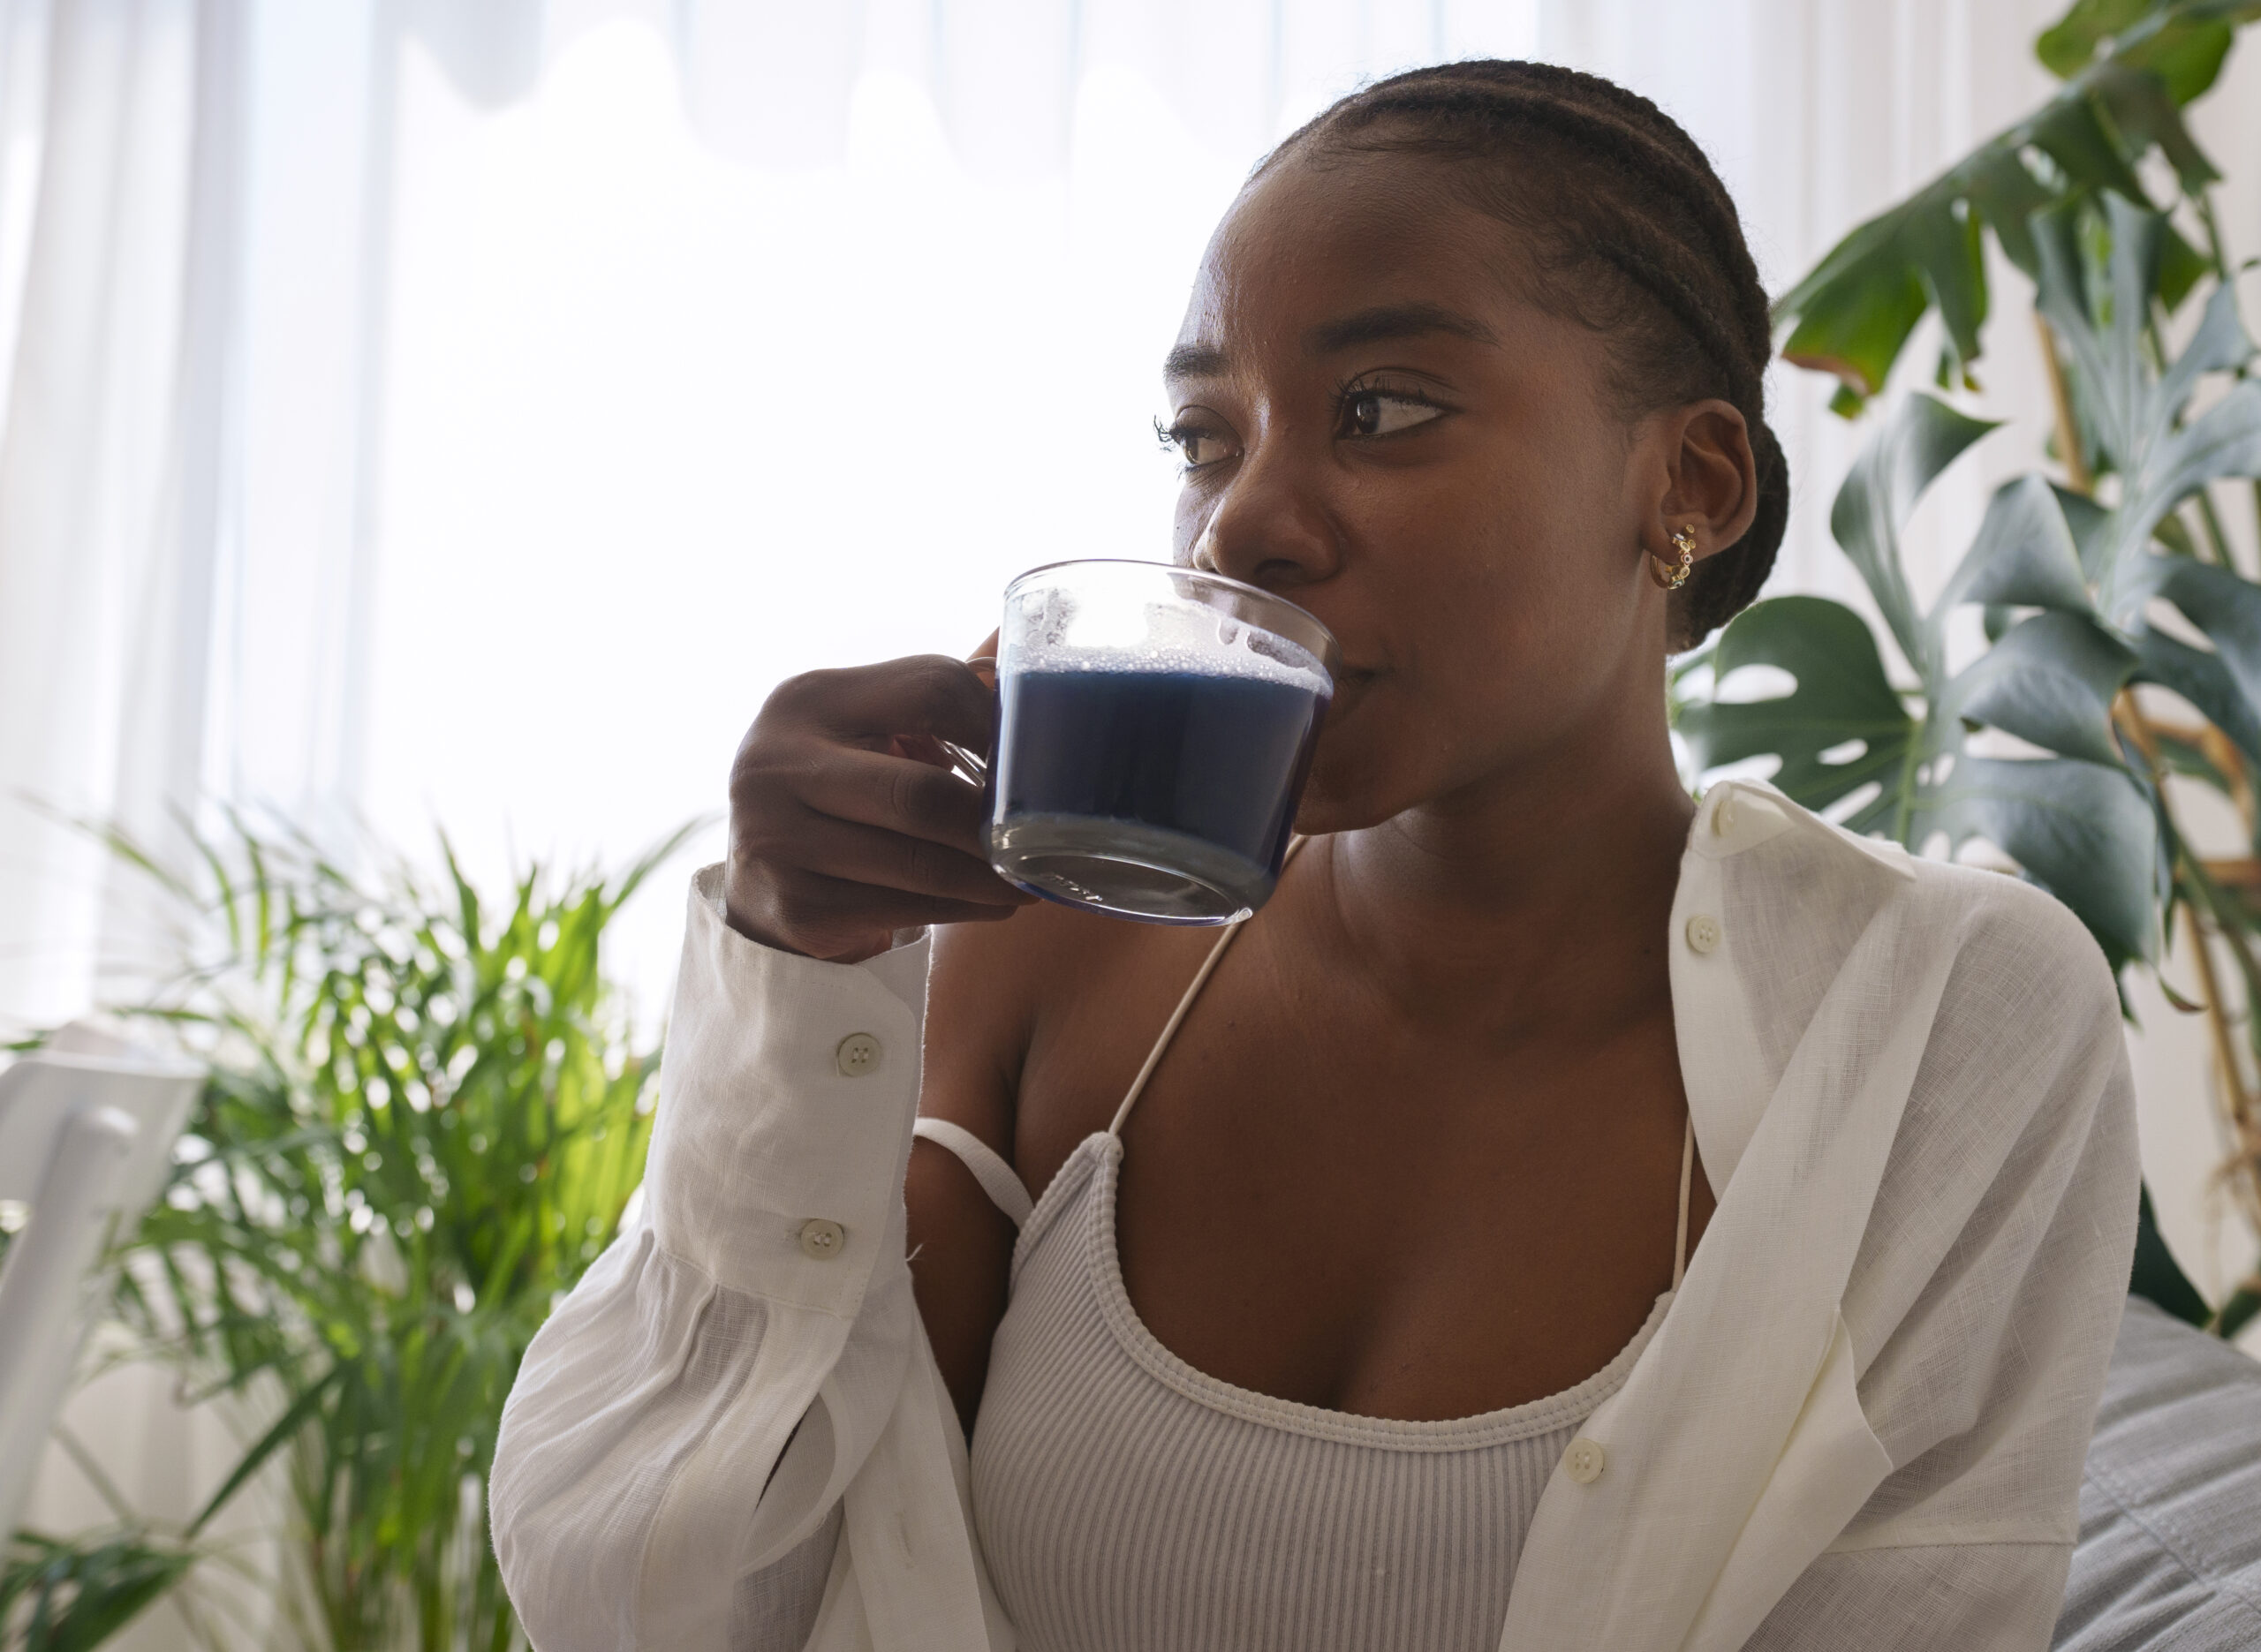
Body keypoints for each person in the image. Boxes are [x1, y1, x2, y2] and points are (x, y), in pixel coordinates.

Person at [490, 60, 2136, 1651]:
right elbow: (668, 1609)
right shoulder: (1044, 947)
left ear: (1685, 485)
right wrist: (796, 987)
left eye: (1384, 408)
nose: (1239, 526)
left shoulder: (1938, 1026)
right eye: (1206, 437)